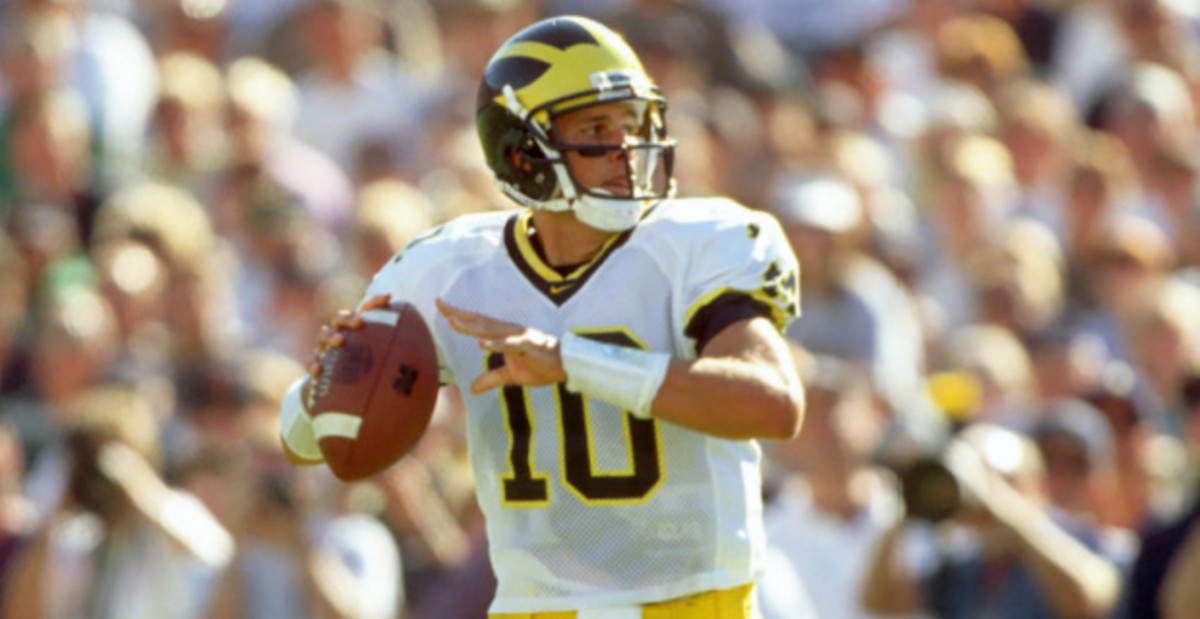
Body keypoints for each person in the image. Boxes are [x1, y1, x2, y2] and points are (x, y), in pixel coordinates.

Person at [280, 15, 805, 618]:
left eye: (631, 125)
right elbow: (301, 441)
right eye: (596, 128)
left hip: (691, 603)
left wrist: (571, 361)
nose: (625, 149)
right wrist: (329, 385)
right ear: (522, 151)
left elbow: (773, 402)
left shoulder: (701, 242)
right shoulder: (448, 269)